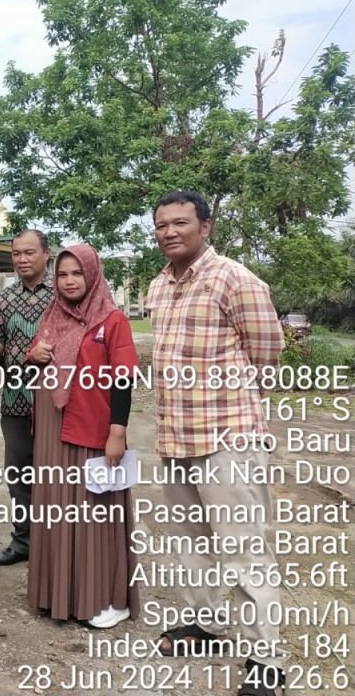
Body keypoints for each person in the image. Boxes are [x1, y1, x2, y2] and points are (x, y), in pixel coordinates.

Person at [146, 191, 286, 696]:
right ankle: (205, 624)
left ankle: (266, 660)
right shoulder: (158, 285)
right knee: (191, 543)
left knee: (245, 551)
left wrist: (236, 403)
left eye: (180, 222)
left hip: (228, 438)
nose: (169, 232)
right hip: (176, 438)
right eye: (161, 225)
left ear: (205, 226)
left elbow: (267, 352)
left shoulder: (234, 278)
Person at [24, 244, 139, 629]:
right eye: (62, 274)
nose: (69, 281)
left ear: (92, 275)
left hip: (92, 428)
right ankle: (56, 594)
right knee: (57, 509)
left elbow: (123, 378)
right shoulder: (52, 315)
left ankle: (106, 598)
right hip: (52, 429)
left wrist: (117, 431)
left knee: (94, 513)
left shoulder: (112, 319)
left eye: (77, 273)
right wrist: (34, 357)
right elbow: (35, 365)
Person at [0, 229, 53, 566]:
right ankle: (23, 542)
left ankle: (57, 544)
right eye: (16, 254)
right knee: (19, 477)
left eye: (29, 252)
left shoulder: (63, 292)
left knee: (58, 475)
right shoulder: (3, 298)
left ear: (46, 253)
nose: (22, 259)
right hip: (15, 400)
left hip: (57, 402)